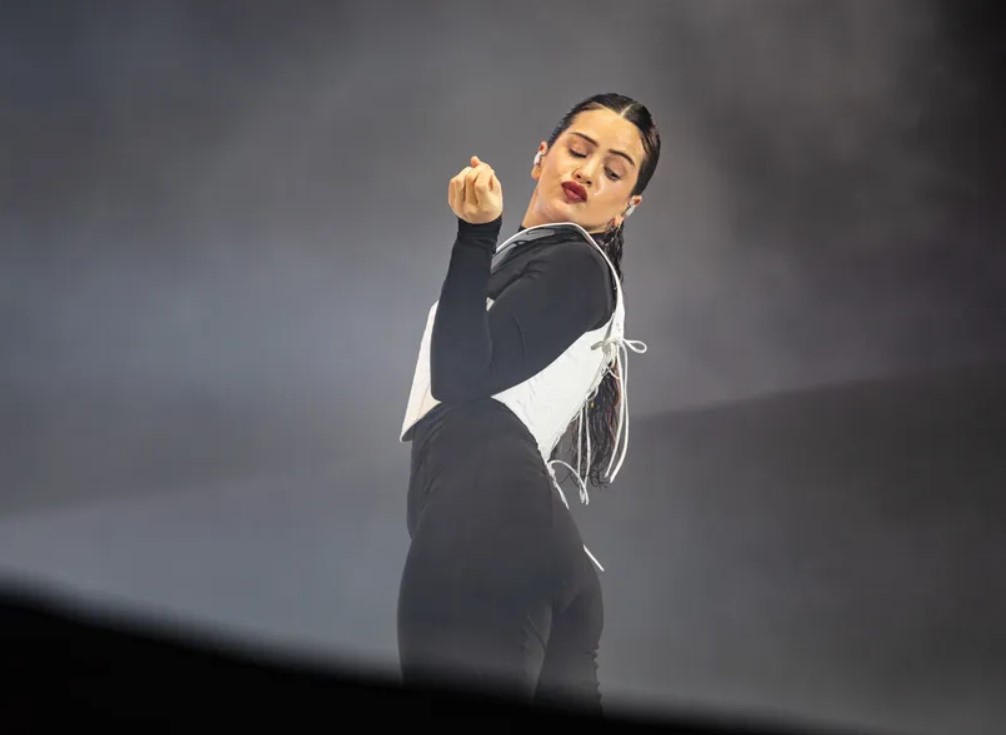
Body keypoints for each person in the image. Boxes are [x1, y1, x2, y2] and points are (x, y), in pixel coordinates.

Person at [396, 93, 661, 712]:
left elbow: (461, 375)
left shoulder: (576, 266)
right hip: (531, 544)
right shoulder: (546, 265)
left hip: (491, 526)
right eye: (578, 149)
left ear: (628, 207)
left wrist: (476, 235)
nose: (588, 171)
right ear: (542, 157)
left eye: (614, 171)